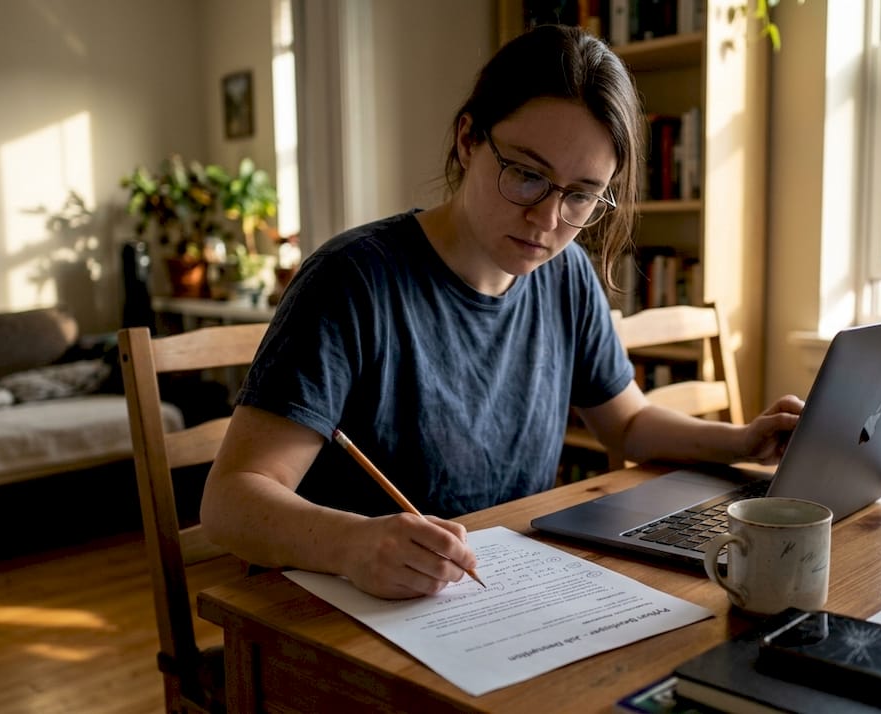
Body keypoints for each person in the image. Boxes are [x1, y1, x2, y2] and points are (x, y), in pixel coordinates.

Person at [200, 24, 803, 600]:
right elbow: (231, 501)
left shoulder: (565, 275)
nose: (547, 219)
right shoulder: (354, 281)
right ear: (468, 139)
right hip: (345, 612)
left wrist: (742, 439)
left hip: (500, 594)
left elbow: (628, 424)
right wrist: (353, 543)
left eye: (582, 195)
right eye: (525, 174)